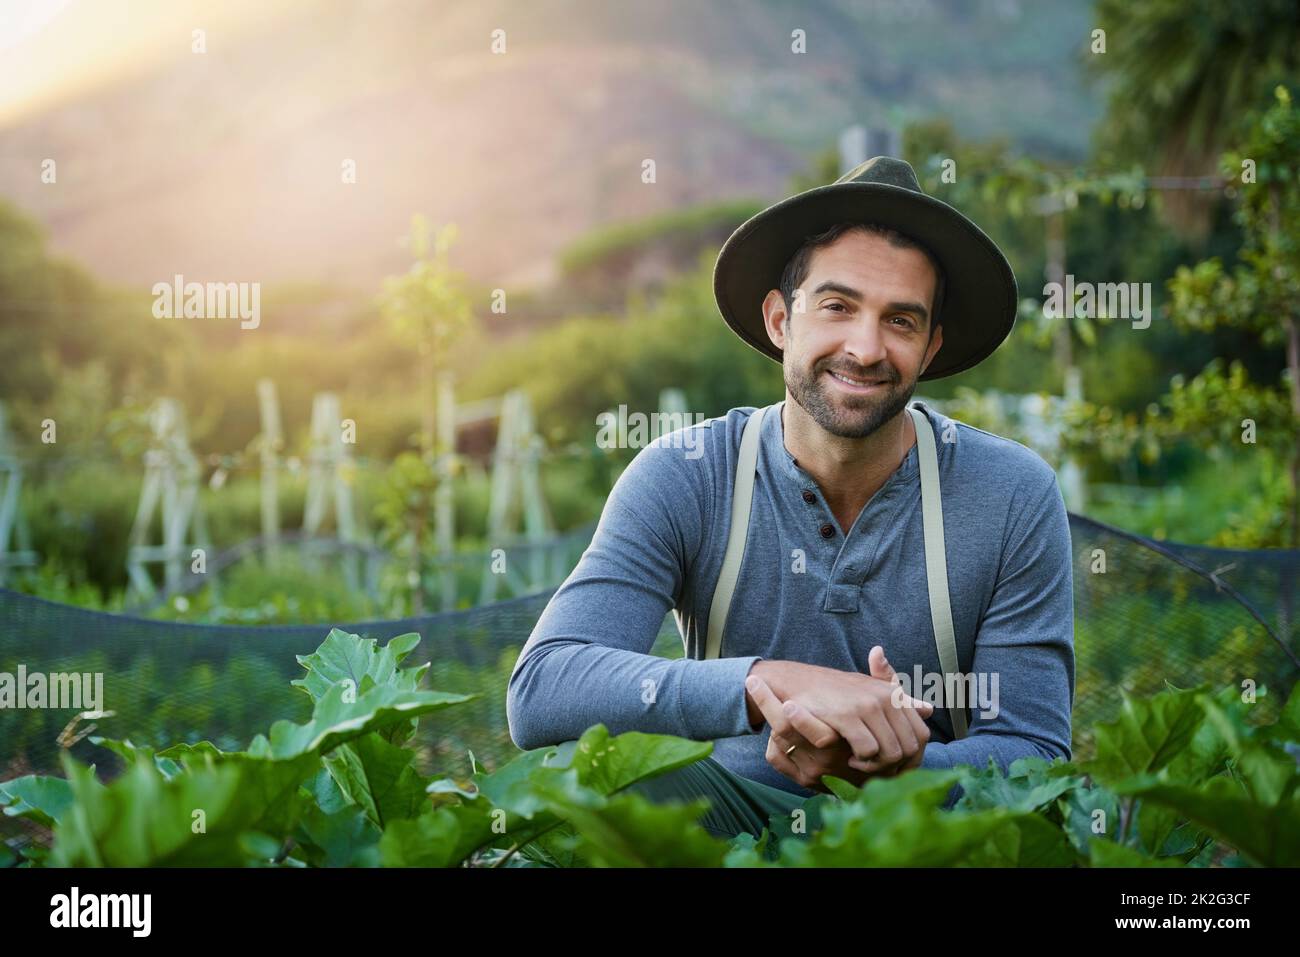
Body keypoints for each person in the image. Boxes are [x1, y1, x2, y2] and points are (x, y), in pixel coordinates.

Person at [507, 156, 1075, 844]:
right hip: (726, 822)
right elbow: (543, 687)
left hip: (919, 833)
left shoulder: (1011, 493)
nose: (865, 348)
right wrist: (768, 684)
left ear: (931, 347)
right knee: (578, 783)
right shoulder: (687, 474)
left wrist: (894, 762)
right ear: (780, 319)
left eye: (901, 320)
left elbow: (1035, 754)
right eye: (837, 307)